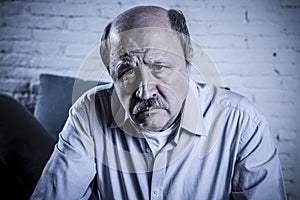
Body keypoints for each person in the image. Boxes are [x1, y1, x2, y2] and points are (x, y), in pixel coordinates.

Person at [31, 5, 287, 199]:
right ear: (111, 76)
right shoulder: (89, 112)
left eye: (159, 66)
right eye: (126, 71)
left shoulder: (241, 122)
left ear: (188, 63)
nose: (143, 92)